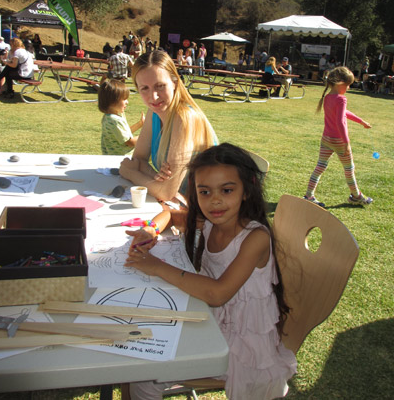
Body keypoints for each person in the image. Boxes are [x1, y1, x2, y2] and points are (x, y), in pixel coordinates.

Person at [125, 143, 297, 400]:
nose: (215, 200)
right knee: (137, 346)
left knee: (143, 379)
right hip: (209, 318)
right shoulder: (210, 221)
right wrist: (150, 230)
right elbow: (170, 215)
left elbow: (217, 294)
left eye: (226, 190)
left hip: (241, 346)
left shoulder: (255, 238)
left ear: (246, 191)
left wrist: (156, 266)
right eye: (204, 192)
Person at [119, 50, 217, 202]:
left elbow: (166, 193)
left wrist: (130, 173)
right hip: (183, 202)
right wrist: (156, 177)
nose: (154, 97)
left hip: (208, 211)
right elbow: (138, 159)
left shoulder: (184, 118)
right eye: (144, 88)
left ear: (175, 83)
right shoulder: (155, 111)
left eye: (160, 86)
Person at [304, 66, 373, 207]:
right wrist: (346, 143)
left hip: (326, 140)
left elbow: (344, 113)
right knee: (349, 169)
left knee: (320, 167)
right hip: (339, 141)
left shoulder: (328, 97)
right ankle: (356, 196)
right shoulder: (341, 99)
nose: (348, 88)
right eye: (347, 85)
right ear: (339, 82)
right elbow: (340, 121)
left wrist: (361, 122)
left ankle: (309, 196)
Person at [98, 79, 145, 155]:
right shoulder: (114, 120)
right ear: (113, 101)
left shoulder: (108, 117)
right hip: (120, 161)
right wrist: (148, 136)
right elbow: (130, 142)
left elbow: (124, 134)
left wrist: (140, 124)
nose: (127, 102)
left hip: (113, 160)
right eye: (124, 99)